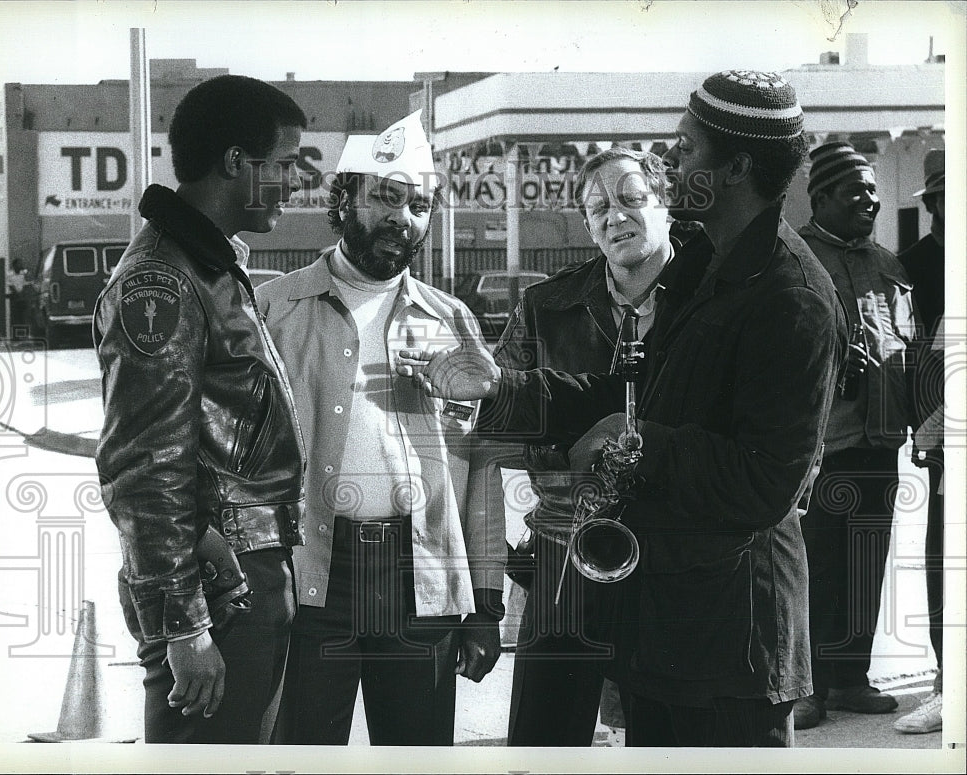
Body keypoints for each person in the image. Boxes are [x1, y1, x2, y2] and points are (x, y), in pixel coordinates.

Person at [397, 70, 848, 748]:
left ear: (737, 167)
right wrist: (503, 387)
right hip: (669, 627)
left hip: (733, 642)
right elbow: (629, 395)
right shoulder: (707, 269)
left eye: (685, 147)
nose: (670, 159)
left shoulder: (792, 296)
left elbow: (764, 479)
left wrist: (635, 442)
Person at [256, 110, 506, 746]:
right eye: (387, 198)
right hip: (313, 571)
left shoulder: (451, 320)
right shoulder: (276, 310)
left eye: (419, 205)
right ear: (345, 201)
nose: (404, 218)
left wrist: (485, 602)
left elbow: (480, 474)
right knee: (302, 753)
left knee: (418, 756)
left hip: (420, 575)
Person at [93, 74, 308, 744]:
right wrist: (185, 623)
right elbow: (143, 467)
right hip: (216, 591)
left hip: (240, 574)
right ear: (236, 164)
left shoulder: (206, 263)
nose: (294, 182)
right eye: (283, 164)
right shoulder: (163, 276)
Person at [488, 146, 696, 746]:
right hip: (569, 554)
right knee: (542, 735)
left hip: (679, 555)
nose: (614, 217)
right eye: (597, 207)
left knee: (670, 738)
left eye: (631, 200)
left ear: (665, 204)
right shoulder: (544, 305)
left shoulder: (712, 297)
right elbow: (498, 423)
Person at [793, 142, 916, 730]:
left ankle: (850, 678)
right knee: (818, 565)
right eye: (855, 192)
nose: (869, 201)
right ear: (820, 199)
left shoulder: (888, 263)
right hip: (823, 444)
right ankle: (810, 684)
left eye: (872, 191)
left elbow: (906, 343)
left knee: (867, 561)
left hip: (881, 438)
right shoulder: (794, 258)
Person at [894, 148, 946, 734]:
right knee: (943, 555)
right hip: (942, 430)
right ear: (931, 204)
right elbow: (909, 352)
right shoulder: (909, 267)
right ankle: (943, 681)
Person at [5, 258, 30, 337]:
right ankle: (16, 336)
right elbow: (10, 285)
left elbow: (26, 283)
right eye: (19, 263)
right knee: (16, 317)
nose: (21, 265)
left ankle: (25, 335)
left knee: (24, 317)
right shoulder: (10, 274)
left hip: (23, 297)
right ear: (14, 265)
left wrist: (23, 294)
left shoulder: (23, 274)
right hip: (14, 297)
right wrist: (17, 294)